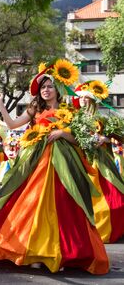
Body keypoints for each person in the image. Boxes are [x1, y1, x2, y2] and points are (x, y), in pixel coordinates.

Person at [0, 60, 109, 274]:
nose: (46, 90)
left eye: (49, 86)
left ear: (58, 89)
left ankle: (60, 253)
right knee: (31, 204)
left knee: (61, 208)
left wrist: (62, 134)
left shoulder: (71, 112)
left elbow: (79, 140)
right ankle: (31, 251)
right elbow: (13, 125)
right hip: (36, 163)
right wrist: (1, 104)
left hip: (65, 167)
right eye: (43, 87)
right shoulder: (34, 108)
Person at [71, 81, 124, 243]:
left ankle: (105, 229)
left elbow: (119, 137)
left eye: (87, 98)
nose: (83, 101)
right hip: (80, 161)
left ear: (93, 100)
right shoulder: (73, 118)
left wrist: (104, 138)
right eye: (81, 98)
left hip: (101, 163)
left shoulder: (102, 119)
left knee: (112, 198)